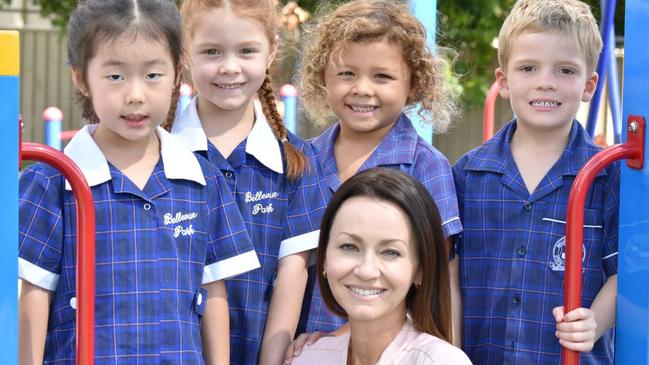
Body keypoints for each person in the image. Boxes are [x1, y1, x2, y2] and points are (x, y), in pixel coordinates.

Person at [17, 1, 260, 363]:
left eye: (152, 75)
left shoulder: (202, 179)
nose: (135, 94)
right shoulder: (51, 181)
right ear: (81, 78)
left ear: (177, 75)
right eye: (115, 76)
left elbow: (213, 292)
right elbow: (34, 293)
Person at [452, 0, 619, 363]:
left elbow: (626, 271)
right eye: (528, 68)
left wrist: (595, 321)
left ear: (589, 85)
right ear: (504, 81)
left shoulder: (607, 176)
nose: (546, 83)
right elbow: (447, 275)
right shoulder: (468, 175)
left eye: (565, 70)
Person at [171, 1, 330, 364]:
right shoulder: (155, 156)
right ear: (184, 51)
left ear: (271, 49)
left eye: (246, 51)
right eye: (212, 51)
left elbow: (292, 273)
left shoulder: (298, 162)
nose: (230, 67)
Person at [297, 0, 463, 342]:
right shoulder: (304, 160)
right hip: (308, 350)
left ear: (414, 85)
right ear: (323, 77)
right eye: (347, 73)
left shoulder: (425, 166)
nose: (362, 89)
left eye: (382, 76)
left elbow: (442, 275)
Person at [292, 168, 471, 364]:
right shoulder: (307, 358)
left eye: (391, 252)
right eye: (349, 246)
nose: (367, 270)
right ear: (324, 257)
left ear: (421, 270)